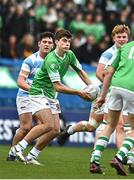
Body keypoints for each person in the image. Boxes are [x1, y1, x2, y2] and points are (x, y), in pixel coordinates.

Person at [13, 29, 93, 164]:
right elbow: (58, 86)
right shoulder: (49, 60)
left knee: (55, 130)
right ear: (57, 42)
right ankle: (17, 148)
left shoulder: (70, 55)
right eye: (64, 41)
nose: (67, 44)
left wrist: (92, 87)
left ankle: (32, 156)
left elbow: (80, 71)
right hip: (37, 92)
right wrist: (79, 92)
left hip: (50, 94)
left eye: (69, 41)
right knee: (42, 125)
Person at [58, 24, 130, 149]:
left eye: (124, 37)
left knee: (115, 125)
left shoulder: (129, 53)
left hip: (120, 93)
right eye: (119, 37)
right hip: (106, 92)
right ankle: (72, 132)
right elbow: (98, 73)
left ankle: (71, 131)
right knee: (93, 125)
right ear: (113, 38)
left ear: (128, 38)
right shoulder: (109, 53)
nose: (122, 39)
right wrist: (113, 86)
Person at [7, 32, 54, 163]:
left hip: (41, 97)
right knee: (25, 128)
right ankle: (13, 152)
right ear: (39, 44)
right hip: (26, 95)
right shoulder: (30, 60)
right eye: (44, 42)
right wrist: (36, 90)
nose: (47, 44)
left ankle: (32, 154)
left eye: (49, 42)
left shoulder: (53, 61)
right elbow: (20, 82)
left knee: (50, 126)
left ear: (53, 45)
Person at [90, 40, 134, 176]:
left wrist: (102, 96)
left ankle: (95, 160)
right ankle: (119, 157)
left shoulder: (125, 47)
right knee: (133, 128)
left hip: (115, 87)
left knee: (110, 125)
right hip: (132, 89)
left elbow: (107, 72)